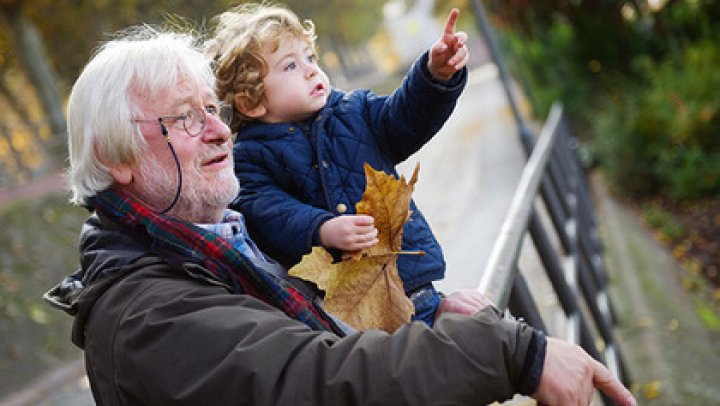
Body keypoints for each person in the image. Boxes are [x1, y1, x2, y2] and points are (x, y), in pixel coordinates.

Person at [44, 24, 636, 406]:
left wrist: (419, 310)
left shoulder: (212, 244)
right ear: (112, 155)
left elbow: (334, 320)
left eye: (211, 109)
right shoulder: (147, 316)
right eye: (185, 118)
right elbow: (319, 378)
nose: (220, 130)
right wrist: (511, 351)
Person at [205, 4, 470, 326]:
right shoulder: (250, 157)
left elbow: (405, 117)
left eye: (310, 58)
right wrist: (321, 228)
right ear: (252, 102)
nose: (311, 70)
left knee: (455, 343)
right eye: (290, 65)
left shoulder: (355, 111)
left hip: (408, 282)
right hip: (344, 310)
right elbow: (267, 211)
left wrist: (433, 76)